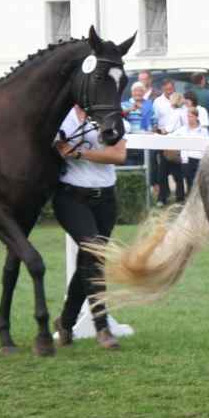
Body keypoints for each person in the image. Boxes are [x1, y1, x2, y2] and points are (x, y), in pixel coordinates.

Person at [52, 104, 126, 350]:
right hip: (71, 196)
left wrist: (77, 152)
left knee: (90, 258)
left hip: (105, 198)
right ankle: (102, 326)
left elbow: (118, 155)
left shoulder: (109, 116)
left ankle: (65, 321)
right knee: (94, 252)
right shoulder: (61, 118)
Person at [156, 92, 188, 204]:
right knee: (177, 173)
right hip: (177, 145)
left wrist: (161, 131)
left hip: (171, 144)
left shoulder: (176, 113)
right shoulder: (183, 112)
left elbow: (168, 129)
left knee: (163, 172)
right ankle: (180, 197)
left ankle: (163, 198)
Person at [120, 81, 154, 166]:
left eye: (140, 91)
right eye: (135, 91)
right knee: (131, 165)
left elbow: (154, 120)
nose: (138, 93)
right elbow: (119, 115)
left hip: (146, 139)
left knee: (147, 166)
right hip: (131, 140)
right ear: (132, 92)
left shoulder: (149, 104)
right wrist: (130, 109)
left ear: (144, 92)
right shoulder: (125, 104)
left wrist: (153, 130)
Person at [177, 106, 209, 191]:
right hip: (186, 160)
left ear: (196, 117)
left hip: (199, 160)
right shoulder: (182, 130)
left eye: (191, 116)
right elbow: (171, 136)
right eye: (188, 116)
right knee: (189, 183)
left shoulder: (204, 131)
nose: (189, 119)